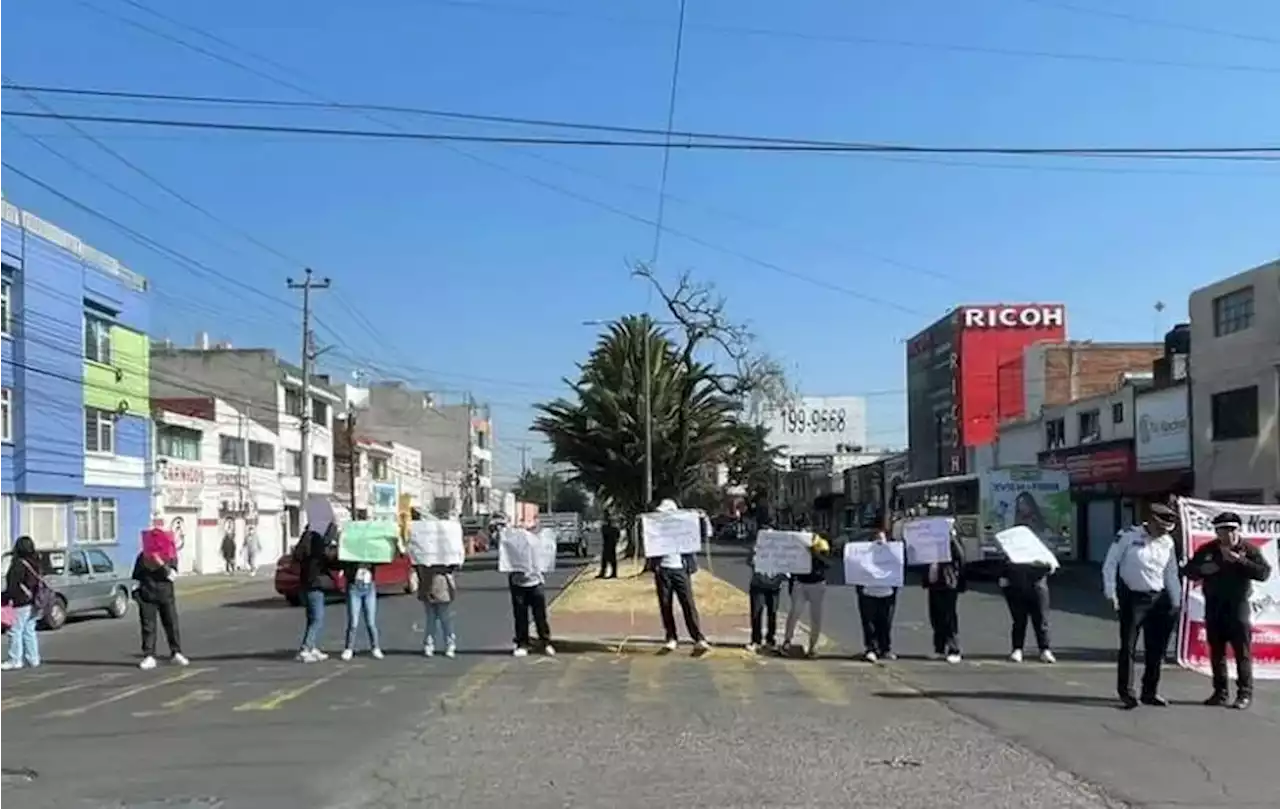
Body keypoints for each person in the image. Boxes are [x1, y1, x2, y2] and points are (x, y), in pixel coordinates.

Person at [1183, 511, 1271, 710]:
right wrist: (1207, 568)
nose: (1228, 535)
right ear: (1217, 532)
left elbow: (1264, 573)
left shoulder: (1248, 549)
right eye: (1223, 531)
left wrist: (1240, 561)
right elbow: (1188, 571)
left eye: (1232, 530)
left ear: (1238, 530)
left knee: (1242, 653)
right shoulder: (1208, 550)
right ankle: (1220, 692)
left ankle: (1244, 694)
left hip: (1237, 607)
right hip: (1214, 606)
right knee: (1217, 653)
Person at [1102, 502, 1181, 709]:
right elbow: (1111, 563)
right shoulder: (1128, 535)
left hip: (1158, 598)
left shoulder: (1167, 542)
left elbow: (1170, 572)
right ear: (1152, 521)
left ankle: (1150, 692)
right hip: (1132, 597)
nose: (1163, 532)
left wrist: (1176, 600)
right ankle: (1126, 692)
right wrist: (1110, 591)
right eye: (1160, 528)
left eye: (1167, 530)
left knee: (1156, 649)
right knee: (1128, 647)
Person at [643, 496, 710, 653]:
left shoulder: (684, 526)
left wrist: (702, 519)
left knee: (688, 603)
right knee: (665, 605)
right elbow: (647, 539)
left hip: (681, 569)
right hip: (663, 570)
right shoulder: (657, 527)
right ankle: (671, 637)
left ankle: (698, 638)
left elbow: (703, 535)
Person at [132, 544, 189, 670]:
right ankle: (149, 655)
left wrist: (160, 563)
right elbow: (136, 576)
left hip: (165, 595)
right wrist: (137, 595)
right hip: (147, 596)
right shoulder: (143, 556)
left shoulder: (170, 556)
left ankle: (176, 652)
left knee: (171, 624)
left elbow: (172, 576)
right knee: (148, 627)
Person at [783, 516, 830, 658]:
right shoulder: (796, 544)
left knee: (816, 617)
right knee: (794, 613)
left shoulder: (821, 543)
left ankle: (813, 647)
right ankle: (787, 641)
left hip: (817, 583)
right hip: (800, 583)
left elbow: (827, 563)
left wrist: (814, 552)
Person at [999, 552, 1056, 664]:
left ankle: (1044, 649)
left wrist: (1044, 564)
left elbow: (1051, 568)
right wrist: (1005, 582)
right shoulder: (1012, 551)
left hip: (1038, 588)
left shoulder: (1039, 550)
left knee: (1041, 620)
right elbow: (1004, 571)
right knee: (1019, 620)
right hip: (1017, 588)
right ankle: (1017, 649)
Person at [922, 526, 967, 664]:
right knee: (935, 616)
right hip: (933, 582)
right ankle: (939, 648)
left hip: (947, 582)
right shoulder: (929, 544)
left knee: (948, 616)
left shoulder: (951, 543)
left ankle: (954, 649)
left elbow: (961, 557)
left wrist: (951, 538)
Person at [745, 515, 786, 653]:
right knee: (756, 613)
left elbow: (786, 564)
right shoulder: (756, 546)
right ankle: (756, 640)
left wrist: (781, 577)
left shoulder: (780, 548)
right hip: (758, 584)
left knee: (772, 613)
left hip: (774, 584)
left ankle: (770, 640)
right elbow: (750, 562)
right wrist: (754, 554)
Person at [1, 536, 42, 671]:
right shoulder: (35, 562)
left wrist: (4, 598)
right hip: (35, 601)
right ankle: (33, 658)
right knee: (29, 630)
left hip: (21, 602)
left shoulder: (18, 564)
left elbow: (13, 586)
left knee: (15, 630)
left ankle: (15, 659)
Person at [857, 529, 898, 663]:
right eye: (877, 539)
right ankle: (871, 649)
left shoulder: (893, 554)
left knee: (885, 622)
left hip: (887, 594)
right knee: (869, 623)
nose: (880, 542)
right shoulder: (865, 555)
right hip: (868, 593)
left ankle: (885, 649)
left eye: (882, 539)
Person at [296, 528, 338, 663]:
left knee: (311, 618)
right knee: (317, 619)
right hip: (315, 585)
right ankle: (306, 648)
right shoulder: (318, 549)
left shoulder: (304, 549)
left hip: (305, 585)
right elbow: (330, 562)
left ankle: (312, 646)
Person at [340, 559, 383, 661]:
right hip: (354, 587)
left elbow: (382, 559)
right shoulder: (351, 555)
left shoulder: (370, 554)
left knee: (371, 621)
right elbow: (343, 561)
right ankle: (349, 648)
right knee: (353, 621)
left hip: (369, 587)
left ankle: (375, 647)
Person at [509, 563, 555, 658]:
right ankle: (522, 644)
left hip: (536, 581)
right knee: (520, 615)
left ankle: (545, 642)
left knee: (540, 615)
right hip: (517, 581)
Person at [419, 561, 459, 658]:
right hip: (428, 584)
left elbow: (453, 565)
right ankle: (429, 644)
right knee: (431, 619)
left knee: (444, 618)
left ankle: (450, 644)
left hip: (442, 584)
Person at [598, 514, 621, 579]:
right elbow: (618, 535)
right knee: (605, 560)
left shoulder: (605, 528)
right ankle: (605, 573)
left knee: (611, 560)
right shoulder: (614, 528)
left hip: (609, 545)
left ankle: (612, 573)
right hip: (610, 545)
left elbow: (604, 534)